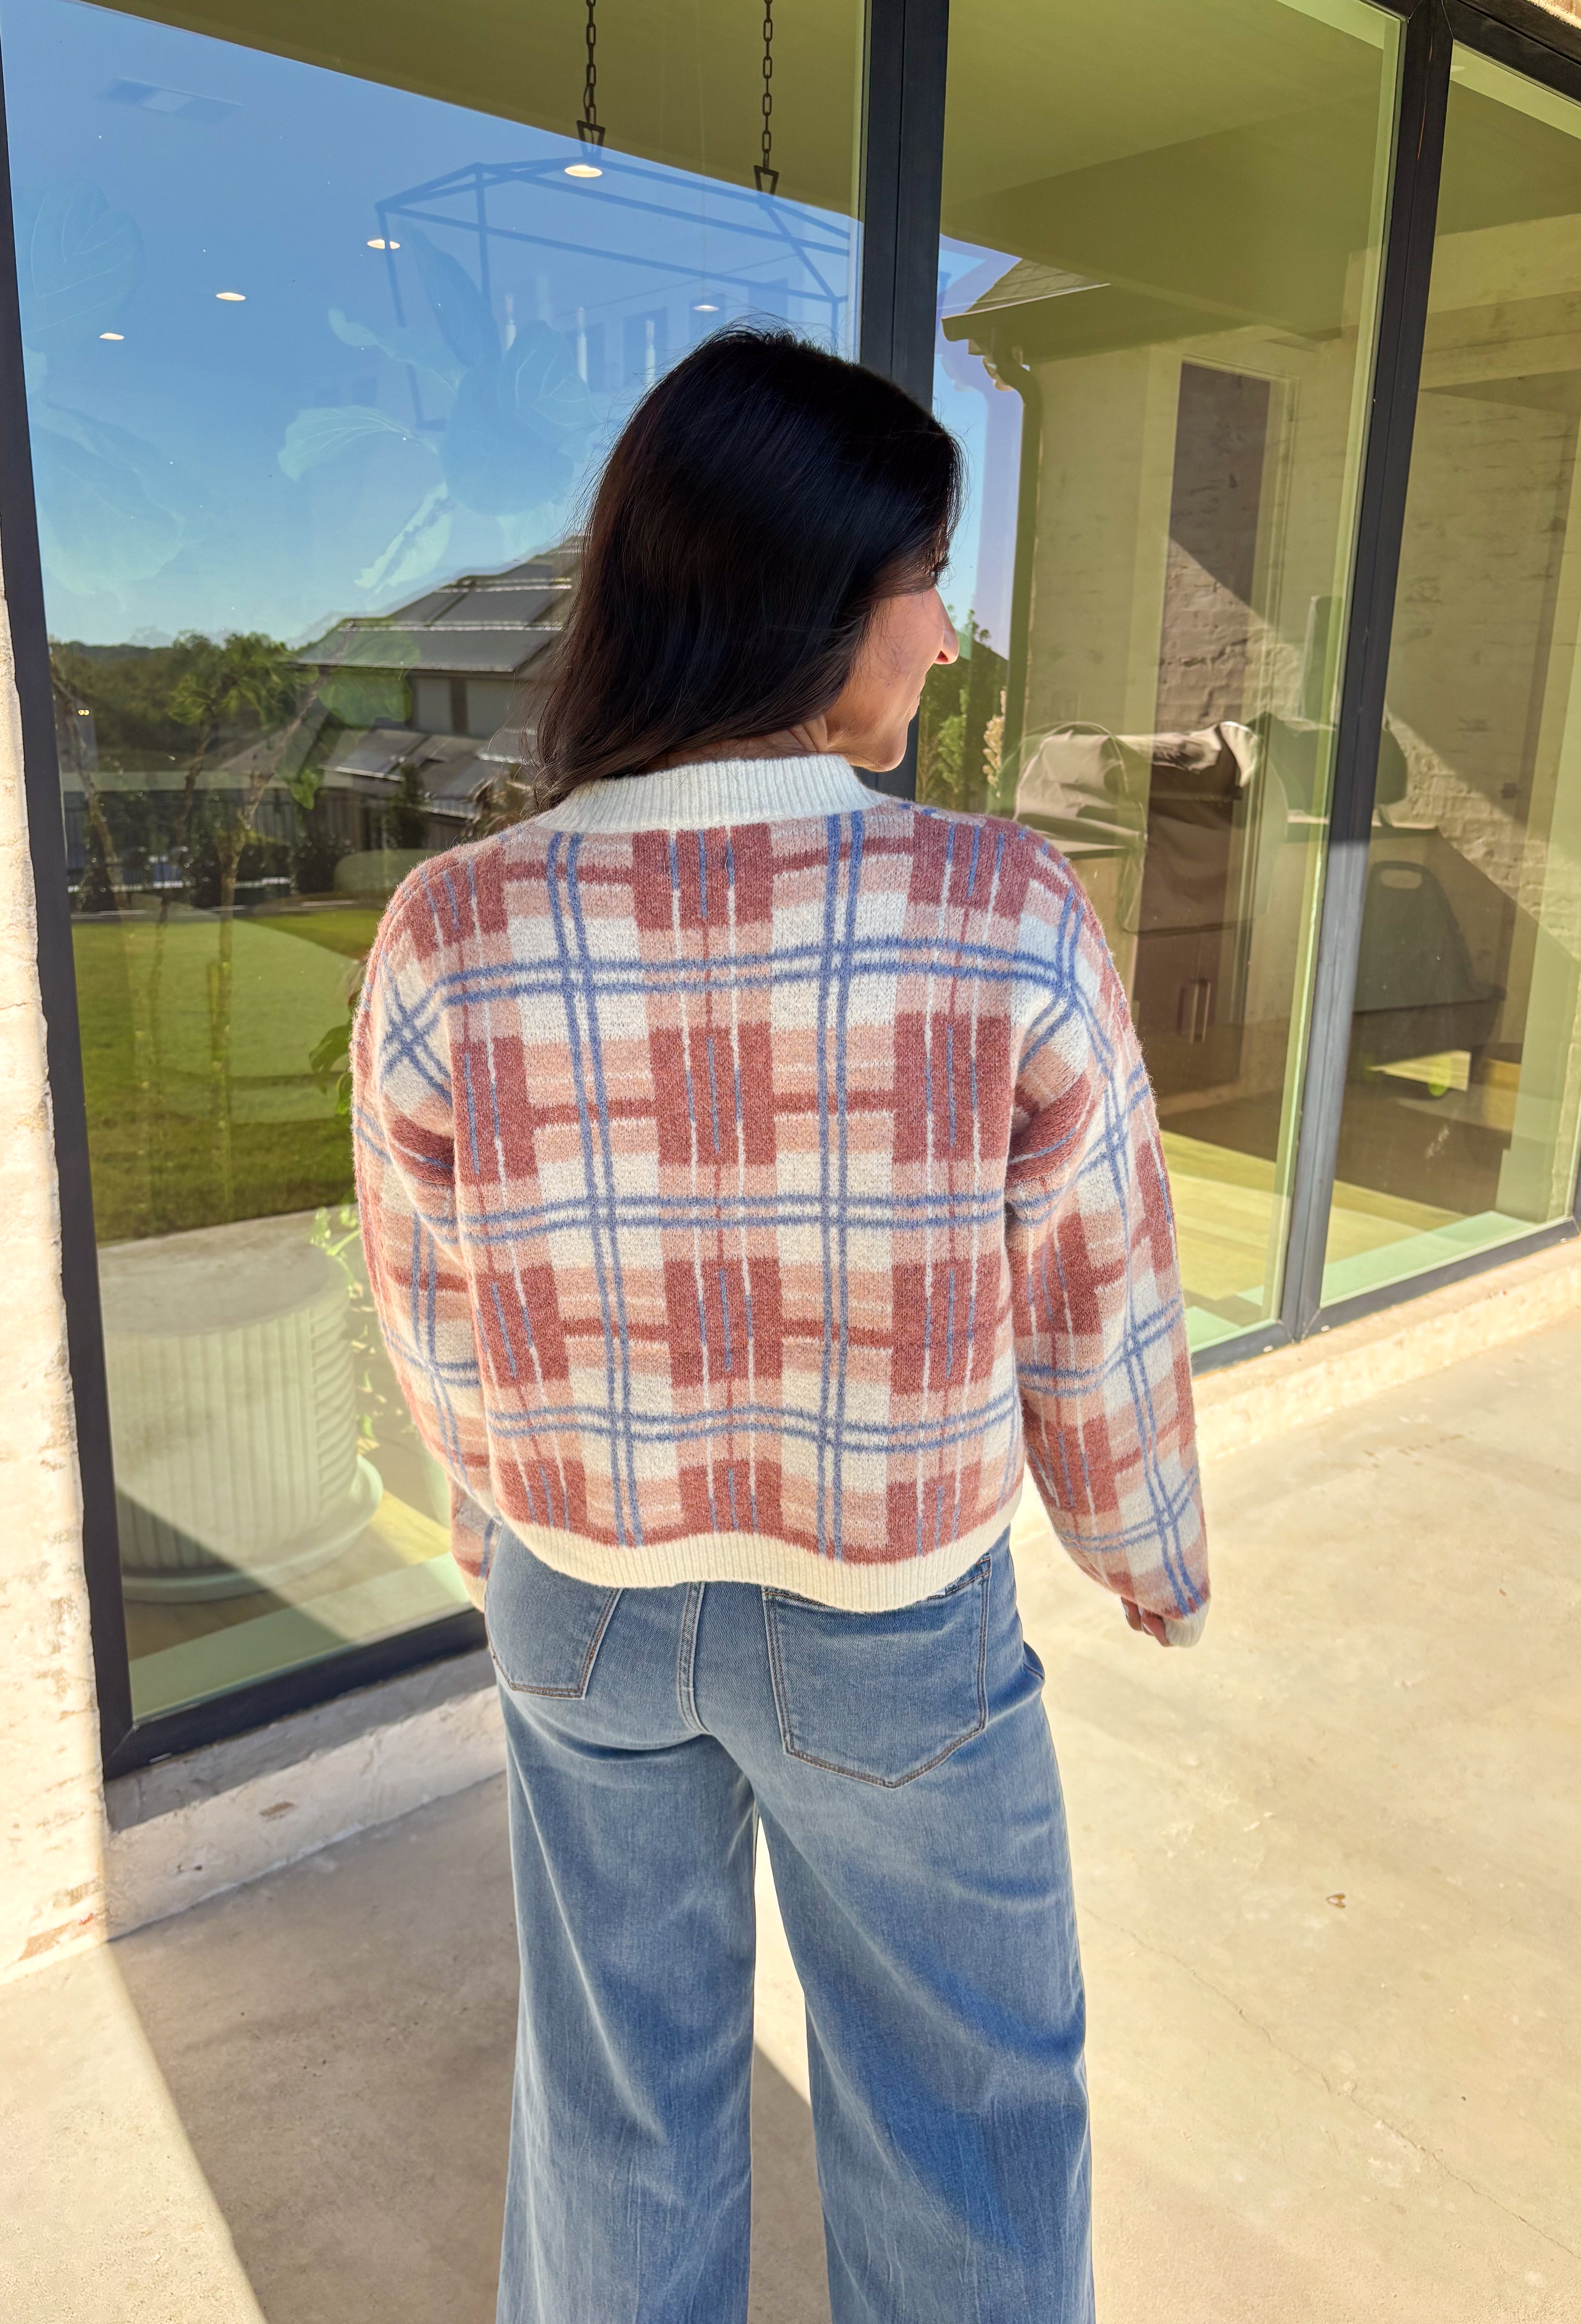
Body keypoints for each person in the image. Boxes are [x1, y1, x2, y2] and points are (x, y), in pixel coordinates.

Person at [352, 327, 1208, 2324]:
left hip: (580, 1603)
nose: (948, 637)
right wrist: (1142, 1537)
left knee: (616, 2112)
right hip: (890, 1616)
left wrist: (491, 1514)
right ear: (810, 592)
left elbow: (429, 1288)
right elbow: (1096, 1274)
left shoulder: (455, 926)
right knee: (968, 2115)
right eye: (927, 582)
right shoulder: (999, 909)